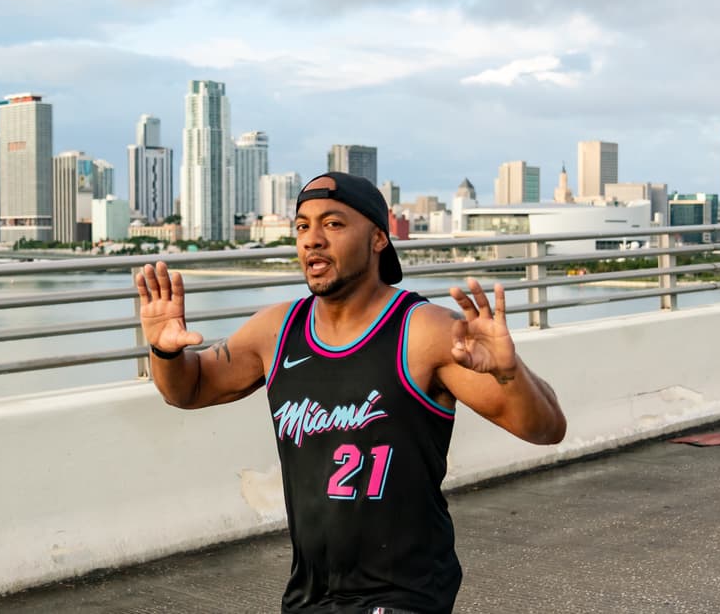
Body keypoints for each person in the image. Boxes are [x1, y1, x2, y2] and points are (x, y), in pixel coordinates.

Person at [135, 172, 566, 614]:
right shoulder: (277, 330)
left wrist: (509, 374)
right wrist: (164, 352)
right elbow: (189, 390)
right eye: (302, 226)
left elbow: (546, 428)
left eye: (333, 224)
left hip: (404, 595)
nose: (312, 240)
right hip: (310, 594)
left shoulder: (424, 332)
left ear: (379, 238)